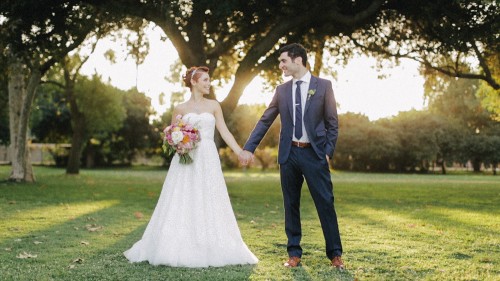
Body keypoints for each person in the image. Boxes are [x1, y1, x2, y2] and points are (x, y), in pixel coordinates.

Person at [124, 66, 258, 267]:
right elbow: (170, 134)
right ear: (194, 82)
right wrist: (179, 142)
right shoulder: (180, 108)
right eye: (205, 80)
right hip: (185, 158)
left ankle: (210, 243)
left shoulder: (214, 106)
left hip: (208, 157)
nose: (208, 83)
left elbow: (224, 132)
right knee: (183, 196)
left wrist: (240, 152)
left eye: (209, 80)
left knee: (209, 196)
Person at [240, 43, 344, 269]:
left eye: (283, 61)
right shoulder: (281, 91)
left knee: (325, 203)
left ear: (298, 60)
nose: (280, 66)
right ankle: (294, 254)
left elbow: (332, 123)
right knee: (291, 204)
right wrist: (249, 147)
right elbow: (266, 119)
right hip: (289, 154)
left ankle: (335, 255)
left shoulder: (323, 86)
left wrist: (327, 152)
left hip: (315, 154)